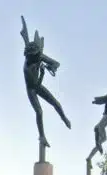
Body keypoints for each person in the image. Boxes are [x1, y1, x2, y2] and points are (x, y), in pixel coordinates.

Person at [20, 16, 71, 149]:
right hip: (32, 88)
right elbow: (36, 85)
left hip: (38, 85)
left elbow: (56, 63)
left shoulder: (37, 56)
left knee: (57, 104)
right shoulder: (27, 68)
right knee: (39, 112)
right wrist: (42, 72)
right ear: (30, 57)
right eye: (37, 56)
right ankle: (42, 135)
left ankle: (64, 118)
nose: (39, 57)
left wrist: (51, 67)